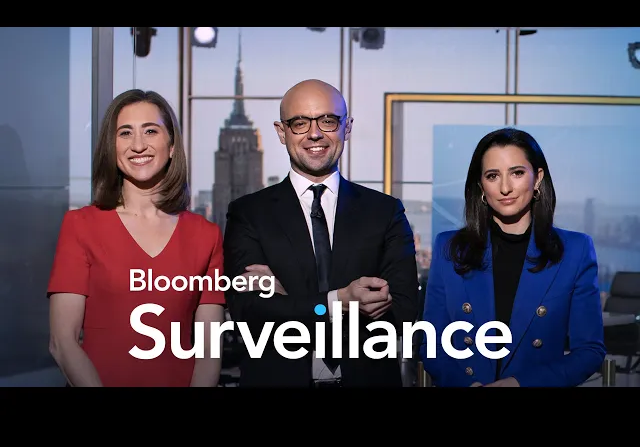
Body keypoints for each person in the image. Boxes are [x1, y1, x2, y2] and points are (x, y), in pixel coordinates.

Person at [223, 79, 419, 387]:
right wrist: (338, 302)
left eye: (327, 120)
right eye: (300, 123)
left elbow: (404, 311)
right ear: (281, 132)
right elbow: (249, 313)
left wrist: (289, 301)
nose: (314, 133)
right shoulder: (248, 214)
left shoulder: (384, 212)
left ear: (347, 127)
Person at [47, 89, 226, 387]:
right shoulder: (80, 225)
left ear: (171, 146)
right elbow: (62, 342)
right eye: (125, 133)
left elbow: (209, 350)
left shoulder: (206, 236)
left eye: (151, 131)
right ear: (112, 147)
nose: (138, 145)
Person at [420, 127, 605, 387]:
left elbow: (589, 351)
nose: (505, 187)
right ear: (481, 186)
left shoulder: (575, 251)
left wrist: (519, 384)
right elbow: (432, 343)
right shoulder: (449, 249)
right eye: (492, 176)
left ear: (537, 178)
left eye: (517, 173)